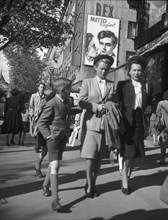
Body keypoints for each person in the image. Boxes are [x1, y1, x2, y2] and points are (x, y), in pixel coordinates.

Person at [78, 54, 117, 198]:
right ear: (95, 68)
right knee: (90, 157)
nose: (104, 72)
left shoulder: (112, 84)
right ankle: (89, 186)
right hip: (91, 124)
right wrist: (95, 107)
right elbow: (81, 102)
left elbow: (115, 102)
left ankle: (93, 182)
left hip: (105, 125)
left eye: (106, 70)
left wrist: (111, 105)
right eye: (101, 68)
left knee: (99, 158)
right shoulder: (87, 82)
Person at [116, 55, 152, 195]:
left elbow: (148, 105)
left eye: (139, 70)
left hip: (139, 121)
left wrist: (149, 116)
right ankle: (125, 182)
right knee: (127, 154)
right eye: (134, 70)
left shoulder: (148, 86)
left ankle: (127, 176)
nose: (137, 73)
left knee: (134, 155)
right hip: (126, 121)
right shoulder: (122, 85)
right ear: (129, 71)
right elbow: (117, 103)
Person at [38, 78, 74, 212]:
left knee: (54, 163)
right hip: (53, 139)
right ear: (62, 90)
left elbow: (68, 112)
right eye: (70, 89)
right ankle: (55, 200)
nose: (71, 91)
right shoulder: (51, 103)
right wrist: (48, 136)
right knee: (56, 165)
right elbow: (42, 123)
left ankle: (45, 185)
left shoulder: (68, 101)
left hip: (62, 137)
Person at [29, 82, 47, 178]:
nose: (42, 88)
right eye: (40, 87)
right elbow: (31, 106)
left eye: (43, 87)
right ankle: (37, 145)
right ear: (38, 88)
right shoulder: (33, 96)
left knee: (40, 133)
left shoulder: (46, 97)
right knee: (36, 132)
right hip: (36, 116)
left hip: (43, 116)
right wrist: (32, 113)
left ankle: (38, 146)